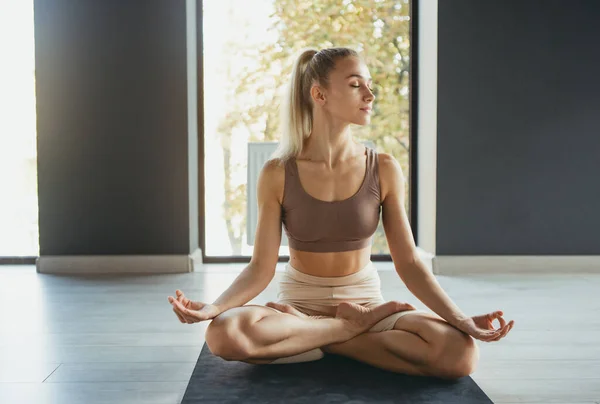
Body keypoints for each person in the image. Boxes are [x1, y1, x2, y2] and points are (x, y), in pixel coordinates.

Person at [167, 47, 514, 379]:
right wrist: (214, 309)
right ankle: (343, 332)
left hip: (366, 305)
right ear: (319, 95)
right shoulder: (277, 172)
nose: (369, 95)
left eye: (369, 85)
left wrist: (460, 320)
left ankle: (318, 342)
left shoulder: (385, 168)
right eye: (355, 85)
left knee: (460, 353)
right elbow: (261, 269)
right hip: (298, 308)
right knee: (224, 334)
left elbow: (409, 263)